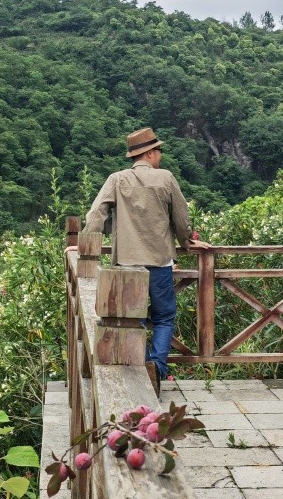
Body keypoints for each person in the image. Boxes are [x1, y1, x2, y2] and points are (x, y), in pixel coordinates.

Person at [80, 127, 211, 391]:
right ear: (150, 153)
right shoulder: (166, 178)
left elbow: (97, 214)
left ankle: (140, 369)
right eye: (159, 150)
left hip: (126, 264)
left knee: (132, 319)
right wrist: (186, 241)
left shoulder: (117, 179)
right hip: (159, 261)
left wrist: (85, 242)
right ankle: (157, 369)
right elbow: (181, 217)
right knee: (164, 317)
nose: (160, 154)